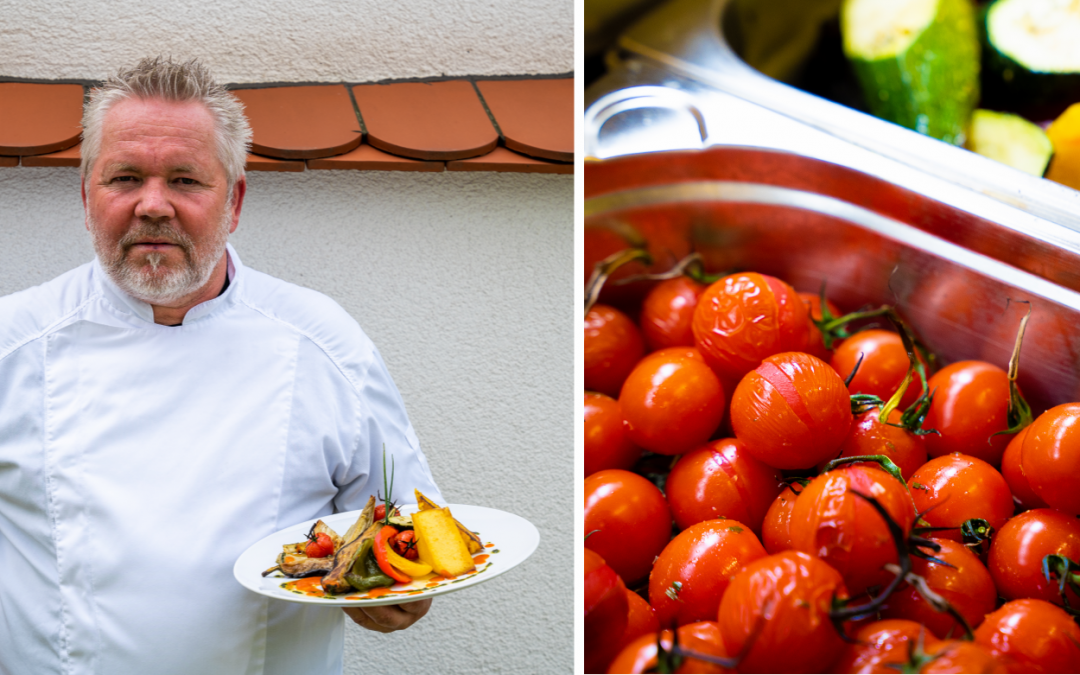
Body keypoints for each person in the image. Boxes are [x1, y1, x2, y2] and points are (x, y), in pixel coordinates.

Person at [0, 56, 441, 675]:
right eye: (125, 178)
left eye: (185, 180)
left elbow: (410, 531)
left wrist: (399, 592)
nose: (153, 205)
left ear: (233, 200)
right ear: (85, 195)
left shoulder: (326, 343)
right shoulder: (11, 341)